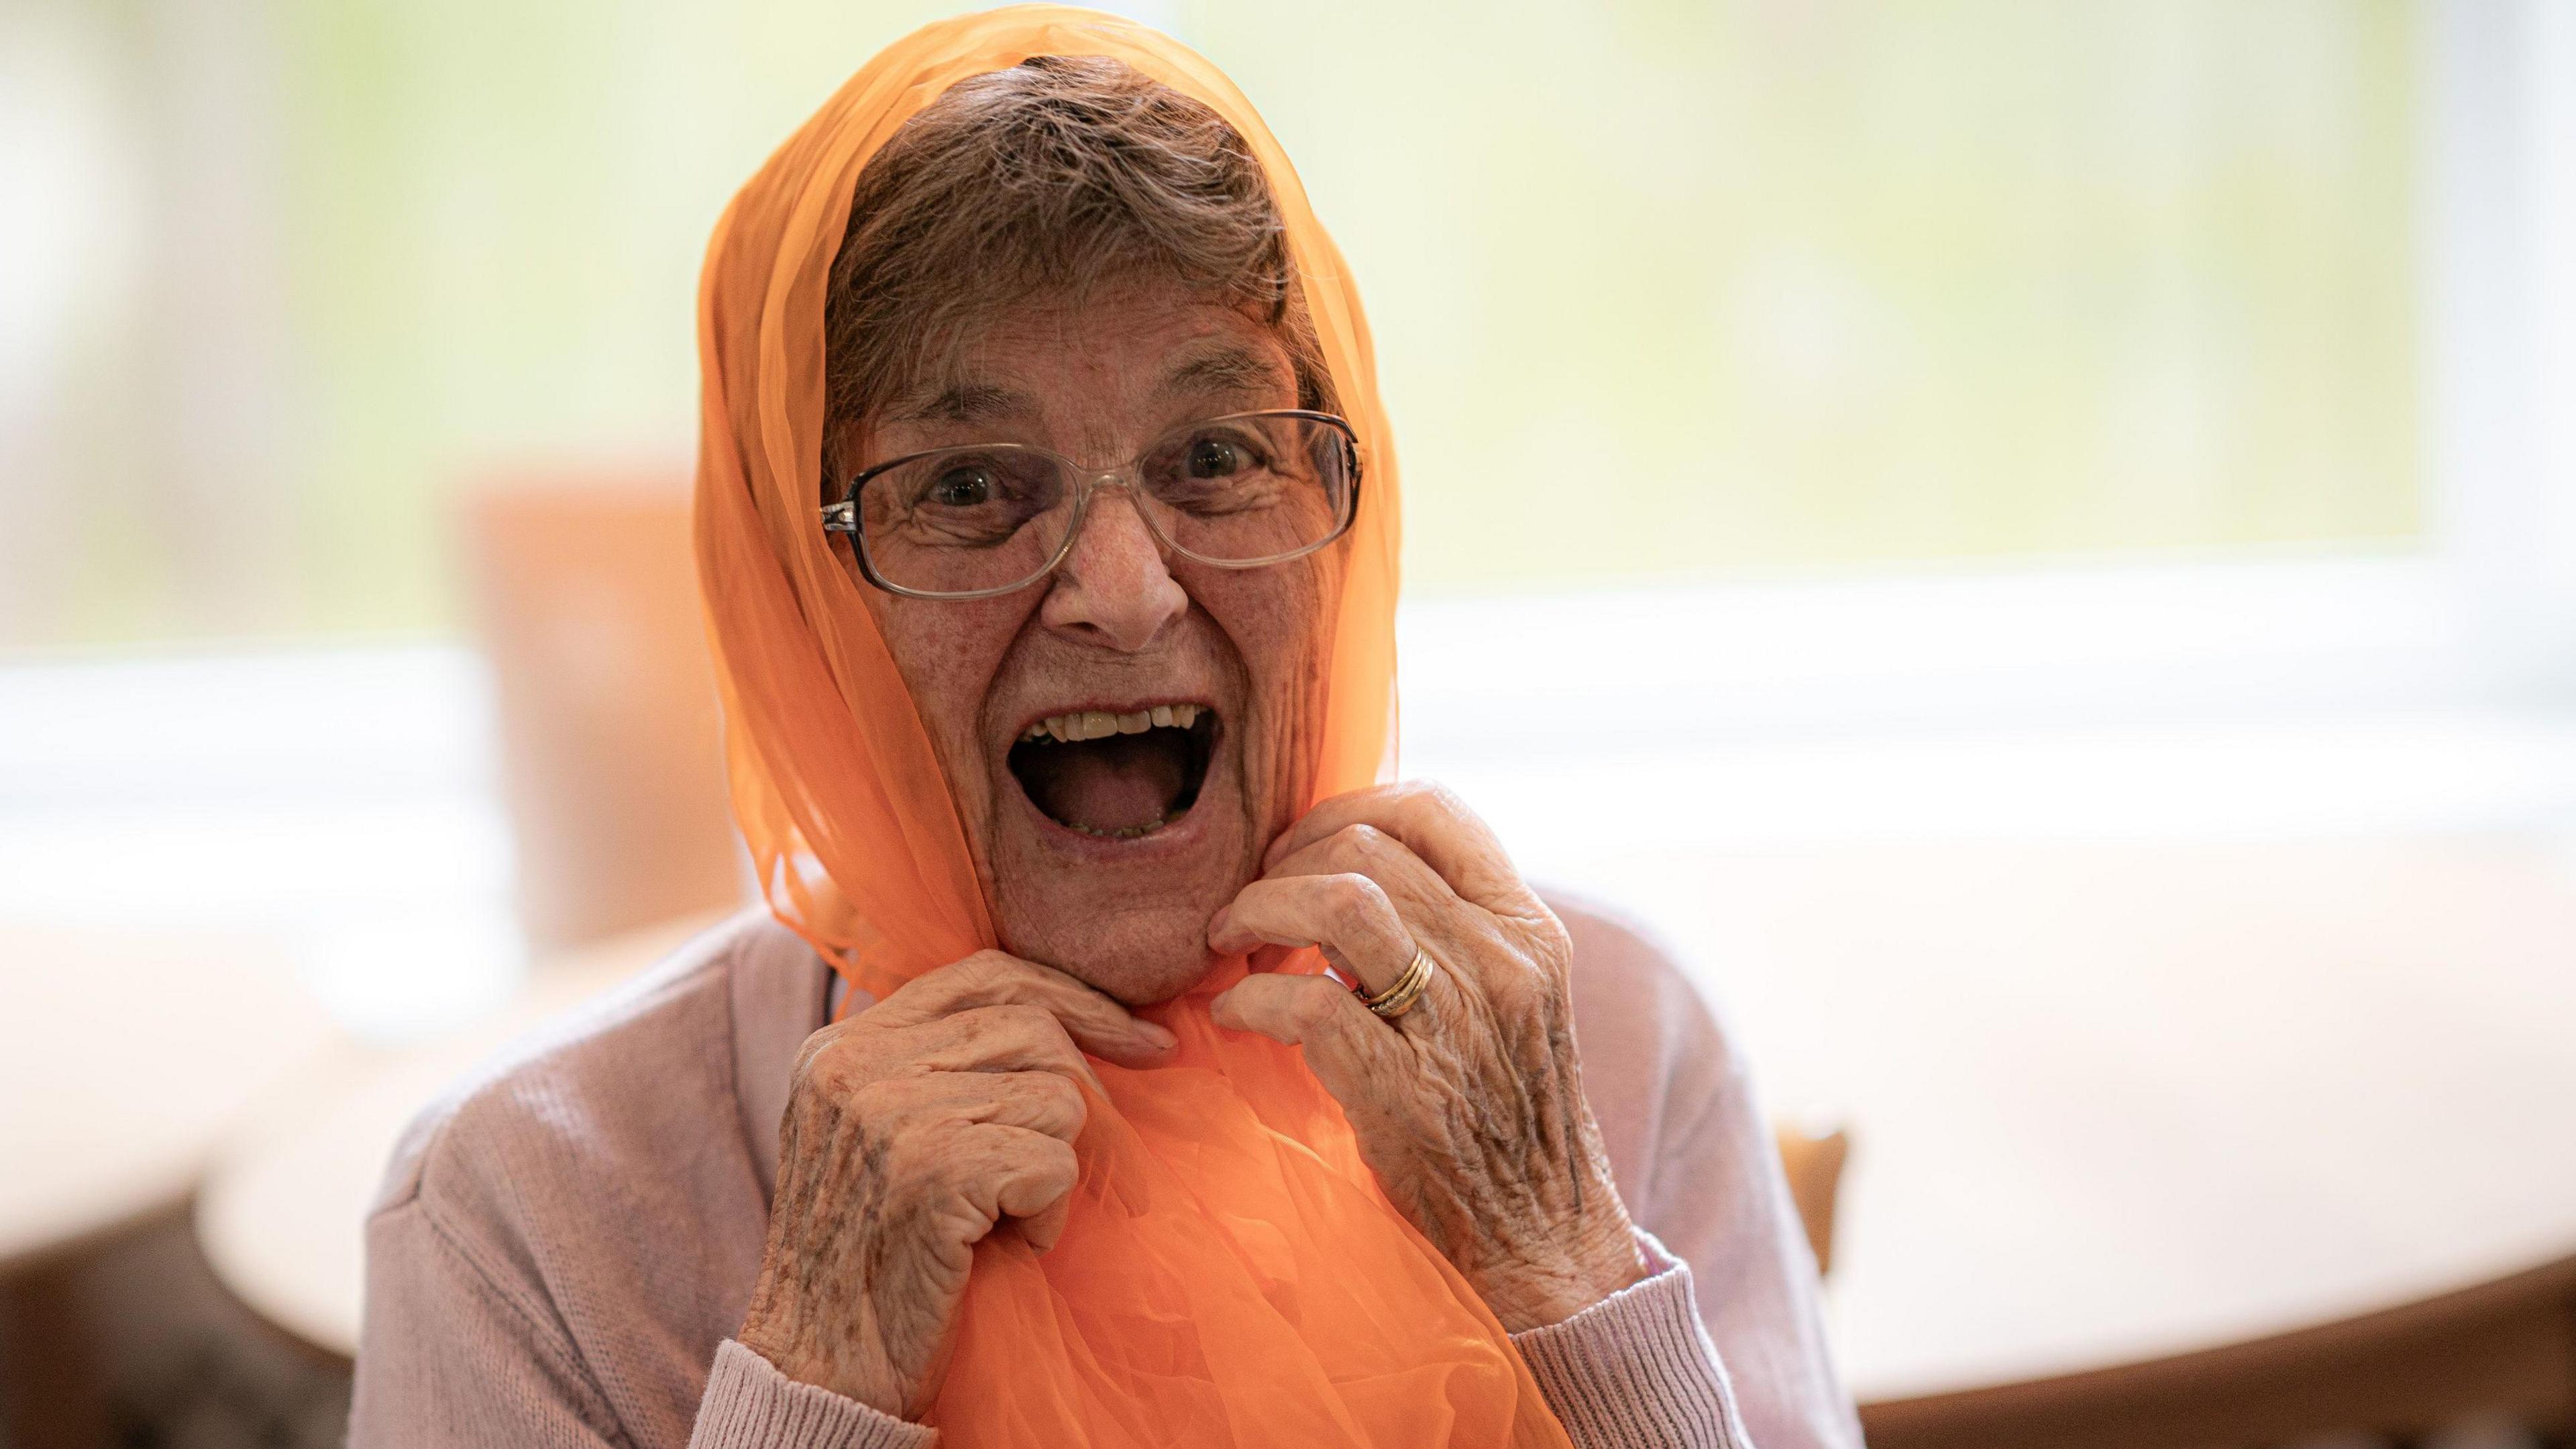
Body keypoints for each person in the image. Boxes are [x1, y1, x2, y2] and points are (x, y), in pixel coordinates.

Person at [348, 11, 1859, 1448]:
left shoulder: (1606, 1041)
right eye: (964, 487)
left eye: (1216, 456)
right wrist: (818, 1369)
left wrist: (1568, 1267)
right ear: (800, 597)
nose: (1126, 596)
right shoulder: (526, 1218)